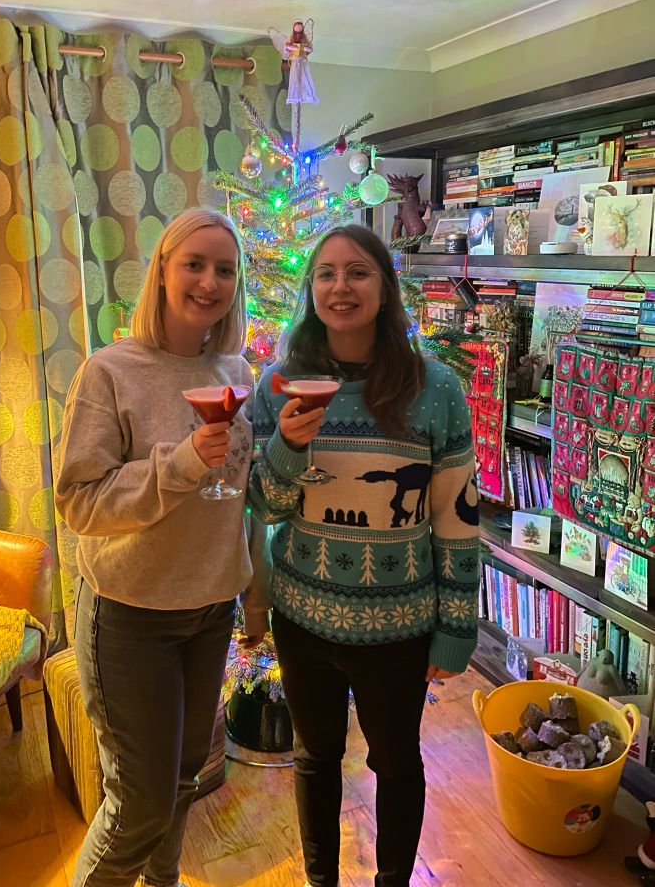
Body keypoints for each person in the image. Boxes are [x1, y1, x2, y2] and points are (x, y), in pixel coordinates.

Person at [248, 224, 480, 887]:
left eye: (357, 273)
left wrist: (454, 631)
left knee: (398, 763)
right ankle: (321, 880)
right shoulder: (278, 385)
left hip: (398, 627)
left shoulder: (435, 390)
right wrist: (289, 446)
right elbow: (264, 507)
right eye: (326, 273)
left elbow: (456, 519)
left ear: (384, 290)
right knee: (315, 757)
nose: (340, 286)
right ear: (311, 288)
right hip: (303, 616)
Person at [55, 207, 268, 887]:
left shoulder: (239, 372)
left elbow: (244, 498)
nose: (210, 282)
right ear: (163, 273)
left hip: (208, 613)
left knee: (182, 779)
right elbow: (79, 501)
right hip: (130, 618)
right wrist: (176, 467)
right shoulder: (109, 372)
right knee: (137, 805)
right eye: (195, 264)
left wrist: (253, 599)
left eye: (225, 270)